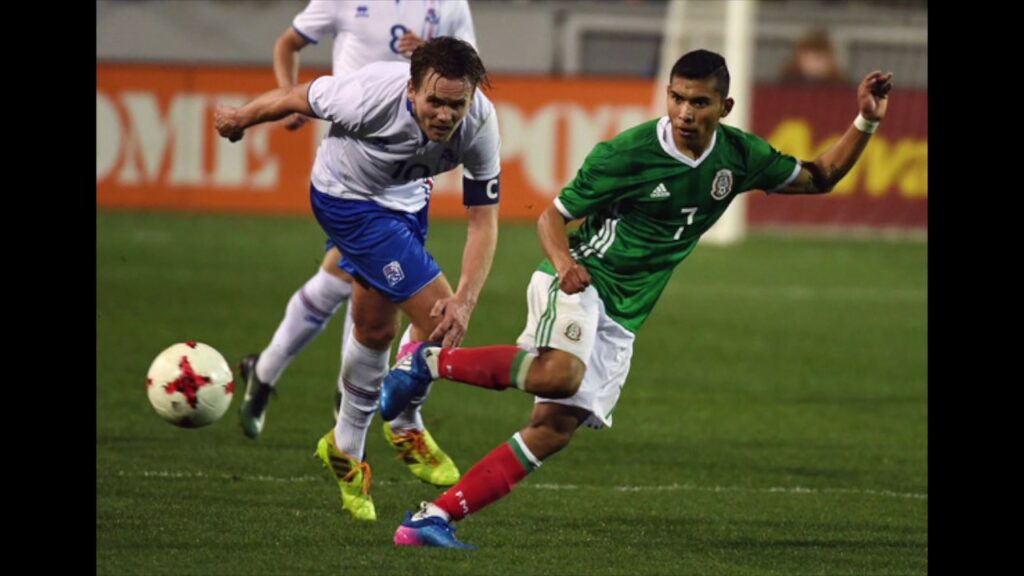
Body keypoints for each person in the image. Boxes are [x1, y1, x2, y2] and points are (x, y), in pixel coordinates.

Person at [378, 49, 893, 548]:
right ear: (666, 96)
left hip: (626, 313)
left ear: (725, 108)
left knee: (553, 429)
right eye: (677, 99)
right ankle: (426, 363)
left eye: (699, 103)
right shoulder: (627, 153)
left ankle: (432, 518)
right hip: (585, 278)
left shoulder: (741, 156)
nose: (685, 113)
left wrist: (865, 121)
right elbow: (551, 216)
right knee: (559, 373)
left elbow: (820, 177)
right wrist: (564, 264)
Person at [215, 36, 500, 521]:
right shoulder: (367, 95)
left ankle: (346, 448)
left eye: (457, 104)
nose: (446, 115)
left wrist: (469, 298)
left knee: (374, 329)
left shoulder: (480, 123)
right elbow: (295, 97)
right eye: (435, 101)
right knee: (438, 322)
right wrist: (241, 117)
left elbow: (483, 219)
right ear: (412, 91)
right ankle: (405, 421)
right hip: (347, 201)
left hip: (407, 202)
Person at [780, 28, 847, 85]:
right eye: (810, 58)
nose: (814, 64)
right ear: (799, 58)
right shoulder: (786, 84)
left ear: (830, 60)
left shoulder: (840, 86)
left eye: (819, 58)